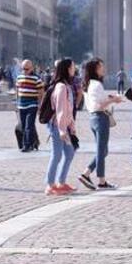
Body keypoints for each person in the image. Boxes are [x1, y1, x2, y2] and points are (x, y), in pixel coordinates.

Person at [78, 58, 122, 190]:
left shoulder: (89, 84)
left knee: (104, 150)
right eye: (101, 66)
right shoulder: (97, 84)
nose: (104, 69)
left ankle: (86, 173)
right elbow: (99, 104)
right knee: (101, 150)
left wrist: (109, 98)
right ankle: (101, 181)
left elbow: (97, 100)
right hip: (100, 117)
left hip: (93, 118)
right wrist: (114, 100)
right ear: (95, 69)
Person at [44, 58, 78, 195]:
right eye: (73, 67)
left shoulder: (66, 86)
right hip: (57, 126)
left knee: (69, 153)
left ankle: (61, 182)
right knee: (57, 155)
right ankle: (50, 184)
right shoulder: (61, 87)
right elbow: (60, 110)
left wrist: (72, 125)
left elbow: (68, 110)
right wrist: (63, 130)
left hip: (64, 125)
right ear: (67, 69)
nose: (74, 69)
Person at [16, 59, 44, 153]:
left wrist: (40, 105)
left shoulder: (37, 78)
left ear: (32, 68)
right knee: (24, 126)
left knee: (29, 125)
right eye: (23, 69)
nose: (25, 71)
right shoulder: (19, 77)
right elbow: (18, 90)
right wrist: (17, 102)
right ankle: (33, 143)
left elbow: (41, 93)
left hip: (32, 105)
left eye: (27, 69)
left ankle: (27, 145)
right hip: (21, 105)